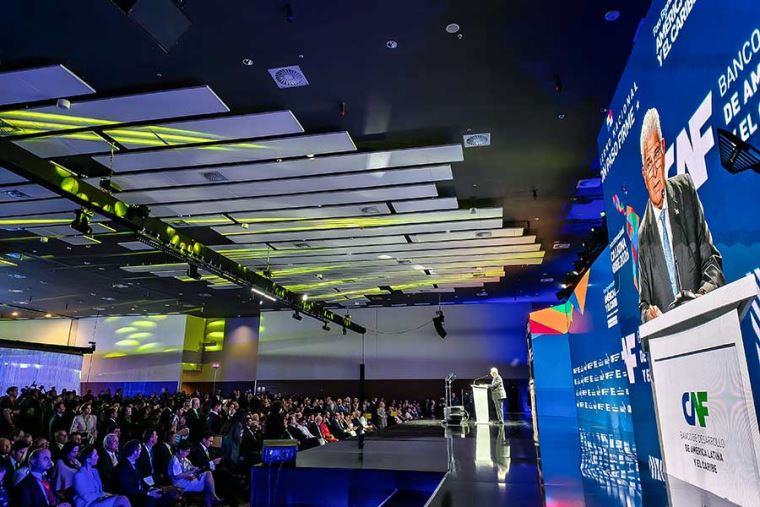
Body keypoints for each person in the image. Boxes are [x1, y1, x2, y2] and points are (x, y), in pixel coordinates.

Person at [637, 108, 725, 323]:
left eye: (657, 155)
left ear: (664, 150)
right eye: (648, 164)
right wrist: (649, 315)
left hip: (706, 320)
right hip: (671, 336)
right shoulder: (643, 234)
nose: (654, 171)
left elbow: (711, 261)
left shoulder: (685, 189)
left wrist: (702, 296)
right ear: (643, 174)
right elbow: (644, 304)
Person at [168, 441, 222, 507]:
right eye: (187, 451)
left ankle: (212, 498)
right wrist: (191, 471)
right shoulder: (175, 459)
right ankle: (213, 497)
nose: (188, 454)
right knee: (208, 480)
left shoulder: (184, 459)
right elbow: (177, 476)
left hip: (187, 479)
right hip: (179, 483)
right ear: (181, 450)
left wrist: (195, 469)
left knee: (208, 480)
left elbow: (191, 469)